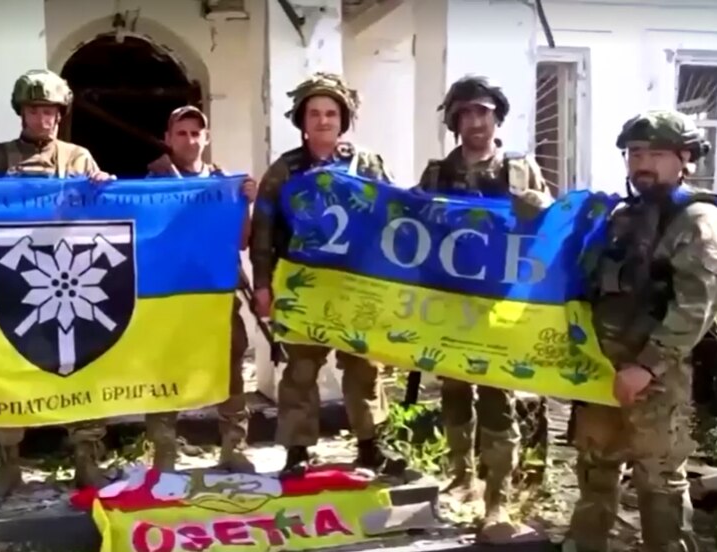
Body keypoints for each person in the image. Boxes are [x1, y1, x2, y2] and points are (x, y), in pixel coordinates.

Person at [0, 69, 114, 497]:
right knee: (7, 373)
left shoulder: (80, 158)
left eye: (50, 111)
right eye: (34, 110)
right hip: (12, 282)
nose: (43, 118)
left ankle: (87, 462)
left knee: (82, 371)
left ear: (60, 114)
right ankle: (8, 466)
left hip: (69, 280)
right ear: (21, 113)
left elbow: (101, 218)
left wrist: (103, 188)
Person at [566, 109, 717, 552]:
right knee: (595, 472)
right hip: (601, 372)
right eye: (633, 153)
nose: (641, 163)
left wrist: (646, 368)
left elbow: (697, 306)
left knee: (660, 484)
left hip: (657, 380)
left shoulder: (696, 222)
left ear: (684, 158)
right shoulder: (622, 216)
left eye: (655, 153)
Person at [414, 74, 552, 542]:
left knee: (497, 403)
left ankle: (498, 500)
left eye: (484, 113)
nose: (476, 122)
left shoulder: (521, 169)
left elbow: (553, 228)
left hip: (502, 305)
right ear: (455, 121)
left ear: (497, 118)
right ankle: (461, 476)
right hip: (449, 301)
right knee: (454, 395)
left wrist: (542, 207)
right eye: (467, 113)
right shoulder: (438, 173)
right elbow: (409, 230)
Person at [248, 72, 404, 477]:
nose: (323, 121)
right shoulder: (284, 171)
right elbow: (263, 231)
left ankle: (371, 446)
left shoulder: (366, 164)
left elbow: (394, 217)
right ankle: (297, 451)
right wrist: (263, 286)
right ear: (302, 120)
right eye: (314, 113)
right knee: (299, 372)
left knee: (363, 369)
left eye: (331, 113)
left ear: (343, 119)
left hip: (357, 286)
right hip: (304, 286)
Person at [143, 106, 257, 473]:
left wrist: (245, 204)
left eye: (197, 133)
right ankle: (164, 452)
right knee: (166, 369)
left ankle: (233, 447)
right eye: (182, 133)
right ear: (168, 138)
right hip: (172, 295)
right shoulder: (153, 181)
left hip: (216, 293)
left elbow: (241, 242)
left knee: (230, 367)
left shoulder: (223, 182)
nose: (190, 140)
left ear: (206, 139)